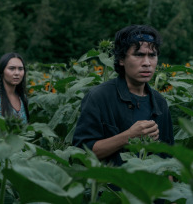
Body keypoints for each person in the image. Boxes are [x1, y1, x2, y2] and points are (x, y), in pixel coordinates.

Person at [72, 25, 174, 166]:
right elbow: (80, 153)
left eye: (152, 55)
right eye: (138, 55)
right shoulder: (99, 97)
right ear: (121, 59)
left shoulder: (160, 102)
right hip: (109, 187)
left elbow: (166, 160)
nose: (147, 63)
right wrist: (129, 136)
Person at [0, 52, 30, 125]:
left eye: (20, 69)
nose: (17, 73)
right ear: (2, 71)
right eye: (12, 68)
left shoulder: (23, 98)